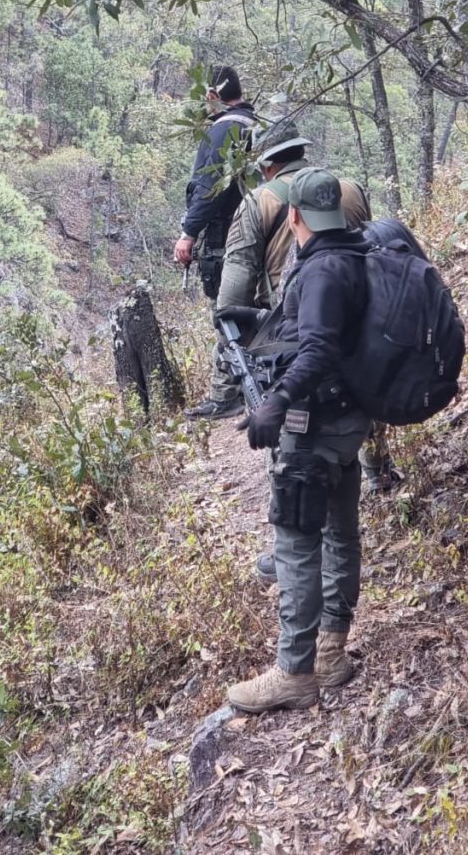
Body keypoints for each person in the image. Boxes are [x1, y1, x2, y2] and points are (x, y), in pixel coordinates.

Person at [226, 167, 372, 714]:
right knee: (339, 532)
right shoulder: (355, 255)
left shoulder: (320, 270)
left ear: (294, 216)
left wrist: (275, 403)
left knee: (296, 541)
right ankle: (332, 652)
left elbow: (318, 349)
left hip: (313, 426)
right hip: (348, 420)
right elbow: (324, 333)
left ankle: (295, 671)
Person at [186, 117, 368, 422]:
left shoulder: (259, 201)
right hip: (358, 311)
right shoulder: (350, 189)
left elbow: (234, 293)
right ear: (299, 151)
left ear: (267, 163)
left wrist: (224, 387)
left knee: (295, 429)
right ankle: (377, 465)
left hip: (290, 323)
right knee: (361, 402)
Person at [173, 66, 256, 412]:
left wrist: (188, 233)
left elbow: (209, 189)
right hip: (255, 227)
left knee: (225, 309)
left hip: (226, 234)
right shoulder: (254, 123)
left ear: (212, 96)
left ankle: (227, 394)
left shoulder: (225, 129)